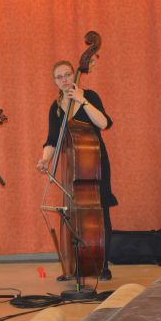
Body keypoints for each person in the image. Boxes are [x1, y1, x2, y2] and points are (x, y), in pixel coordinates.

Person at [36, 60, 118, 281]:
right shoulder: (55, 108)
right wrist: (45, 159)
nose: (64, 80)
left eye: (67, 74)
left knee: (100, 214)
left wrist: (82, 101)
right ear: (55, 81)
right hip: (72, 169)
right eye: (59, 77)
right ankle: (74, 265)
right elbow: (52, 140)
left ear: (74, 75)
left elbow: (104, 123)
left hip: (95, 164)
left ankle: (102, 265)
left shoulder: (89, 96)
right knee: (71, 215)